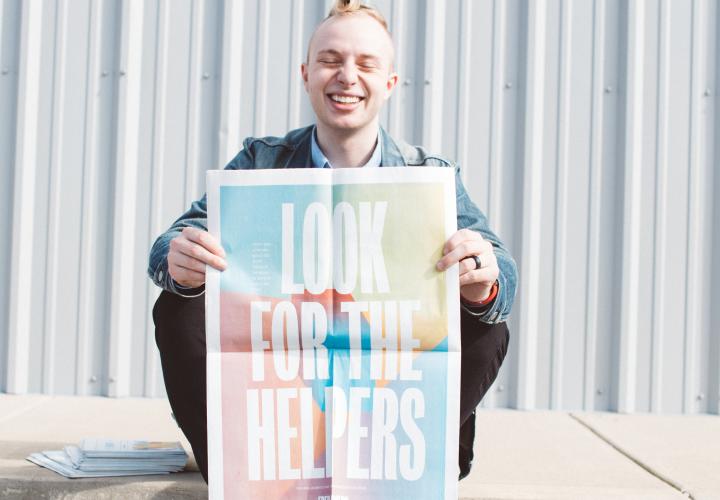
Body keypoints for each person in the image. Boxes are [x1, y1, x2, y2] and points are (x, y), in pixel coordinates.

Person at [148, 0, 517, 485]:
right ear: (306, 74)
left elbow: (502, 277)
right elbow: (169, 245)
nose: (346, 76)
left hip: (387, 407)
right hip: (282, 395)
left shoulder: (430, 177)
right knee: (177, 308)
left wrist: (484, 280)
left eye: (365, 64)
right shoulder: (261, 162)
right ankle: (234, 463)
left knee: (488, 325)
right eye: (329, 60)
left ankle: (412, 452)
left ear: (389, 83)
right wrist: (180, 260)